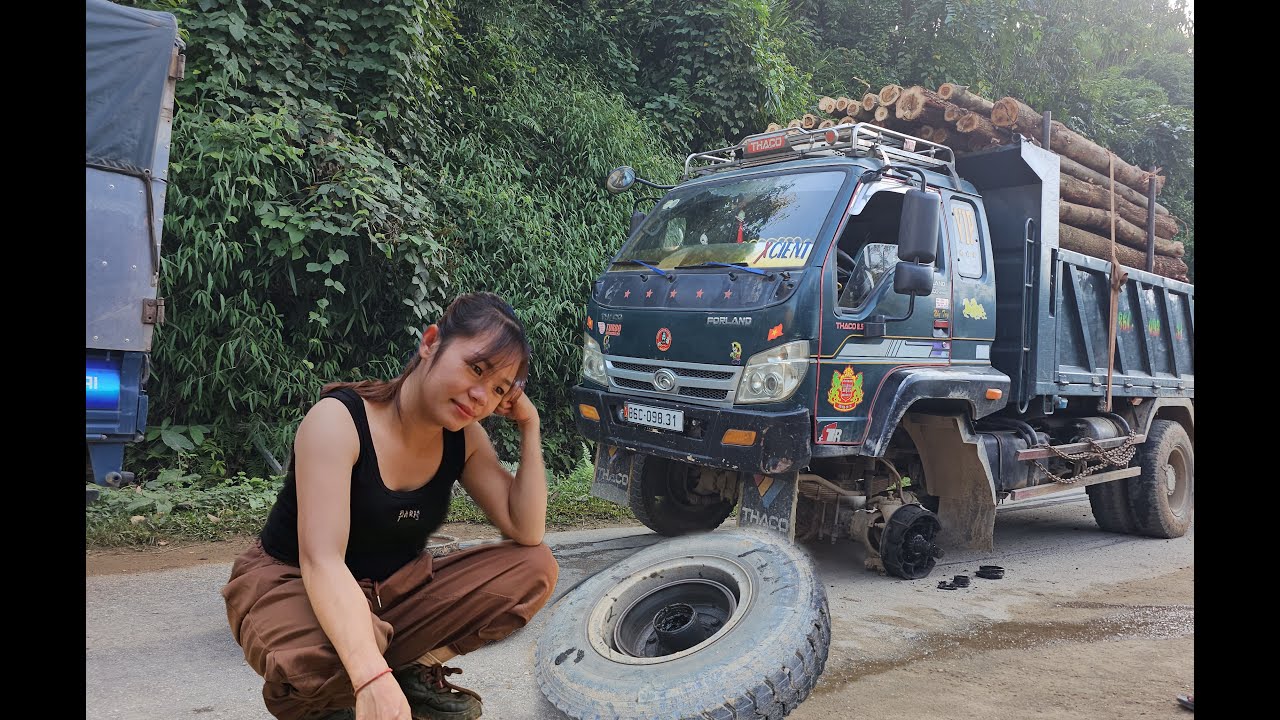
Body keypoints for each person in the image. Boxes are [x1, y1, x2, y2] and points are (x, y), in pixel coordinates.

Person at [221, 292, 559, 720]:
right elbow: (321, 561)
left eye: (497, 390)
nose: (480, 396)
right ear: (431, 342)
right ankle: (354, 690)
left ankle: (409, 673)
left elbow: (526, 530)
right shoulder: (337, 422)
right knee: (304, 667)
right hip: (294, 580)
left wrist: (531, 427)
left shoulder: (464, 438)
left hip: (391, 591)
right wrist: (369, 678)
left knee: (534, 567)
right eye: (476, 368)